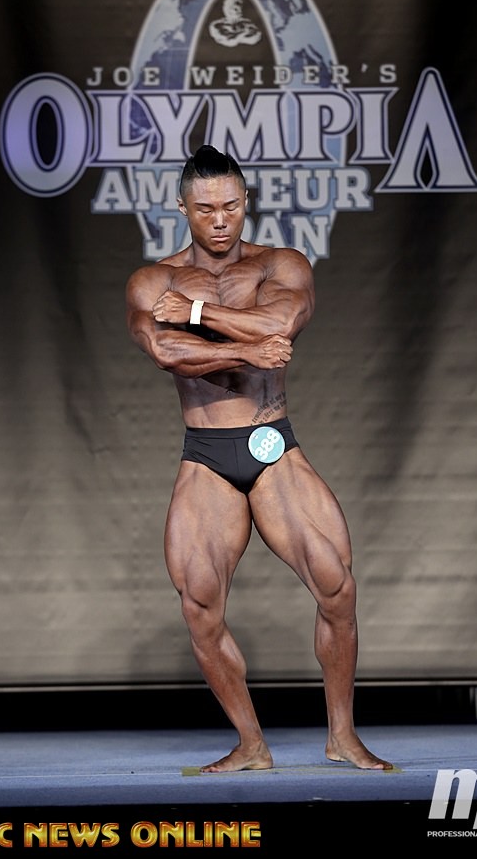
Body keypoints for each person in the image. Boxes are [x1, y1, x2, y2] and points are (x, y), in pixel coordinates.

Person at [125, 144, 392, 773]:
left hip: (272, 444)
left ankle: (342, 735)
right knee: (199, 603)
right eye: (205, 209)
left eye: (231, 206)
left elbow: (281, 322)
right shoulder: (154, 281)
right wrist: (245, 351)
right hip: (206, 453)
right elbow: (164, 351)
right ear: (182, 208)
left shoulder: (280, 263)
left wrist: (198, 315)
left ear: (246, 201)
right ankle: (251, 743)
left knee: (337, 586)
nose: (220, 220)